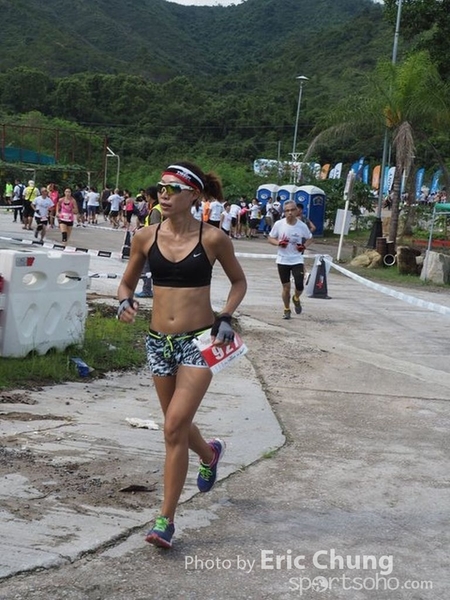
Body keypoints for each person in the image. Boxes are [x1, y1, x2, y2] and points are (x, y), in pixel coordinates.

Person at [117, 161, 247, 549]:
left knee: (173, 427)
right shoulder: (145, 236)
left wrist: (226, 316)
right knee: (177, 424)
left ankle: (165, 521)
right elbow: (126, 284)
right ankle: (209, 454)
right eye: (161, 187)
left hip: (199, 341)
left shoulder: (214, 238)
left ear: (194, 195)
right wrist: (124, 302)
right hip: (159, 342)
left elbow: (239, 281)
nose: (164, 194)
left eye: (173, 189)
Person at [268, 200, 313, 320]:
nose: (290, 213)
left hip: (297, 259)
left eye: (292, 210)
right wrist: (278, 243)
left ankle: (296, 298)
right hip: (282, 260)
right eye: (287, 210)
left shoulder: (302, 226)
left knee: (299, 285)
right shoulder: (279, 224)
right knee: (286, 287)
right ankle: (287, 309)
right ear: (284, 212)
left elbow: (310, 238)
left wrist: (304, 246)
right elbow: (270, 238)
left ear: (297, 211)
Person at [135, 186, 161, 299]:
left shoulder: (156, 210)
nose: (145, 198)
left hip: (151, 243)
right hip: (156, 242)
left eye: (146, 196)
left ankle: (147, 290)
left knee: (147, 268)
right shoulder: (159, 208)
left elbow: (154, 228)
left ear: (150, 196)